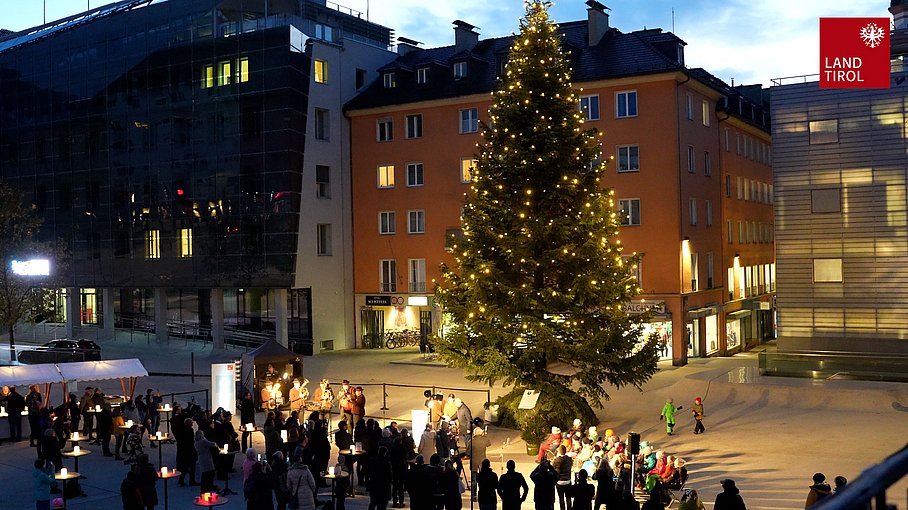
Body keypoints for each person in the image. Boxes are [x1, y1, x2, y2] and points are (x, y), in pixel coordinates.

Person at [367, 446, 393, 510]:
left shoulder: (372, 461)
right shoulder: (386, 463)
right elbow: (389, 475)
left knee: (373, 503)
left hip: (374, 484)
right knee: (382, 505)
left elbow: (367, 472)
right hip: (383, 486)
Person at [175, 418, 198, 486]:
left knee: (184, 467)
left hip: (183, 451)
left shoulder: (181, 430)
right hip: (189, 451)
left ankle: (181, 480)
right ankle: (192, 481)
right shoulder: (190, 431)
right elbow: (191, 442)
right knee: (192, 466)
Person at [553, 446, 573, 510]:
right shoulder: (569, 459)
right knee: (568, 497)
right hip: (568, 480)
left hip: (559, 481)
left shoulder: (556, 460)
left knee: (561, 498)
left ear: (559, 451)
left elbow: (553, 469)